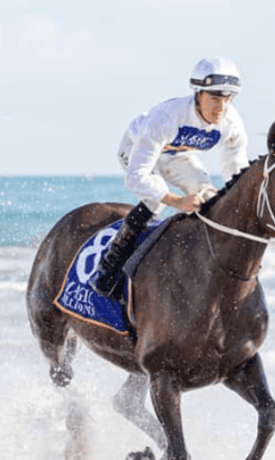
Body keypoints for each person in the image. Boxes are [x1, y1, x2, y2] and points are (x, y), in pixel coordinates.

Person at [91, 56, 249, 299]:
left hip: (177, 155)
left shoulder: (232, 123)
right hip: (137, 149)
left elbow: (236, 173)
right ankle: (108, 270)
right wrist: (176, 201)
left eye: (228, 99)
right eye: (214, 98)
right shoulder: (165, 117)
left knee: (208, 194)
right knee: (155, 201)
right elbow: (135, 178)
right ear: (198, 93)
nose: (221, 107)